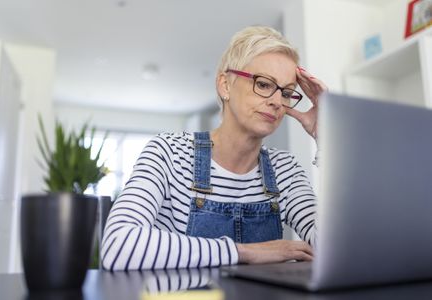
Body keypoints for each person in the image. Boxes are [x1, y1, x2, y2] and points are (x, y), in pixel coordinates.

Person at [101, 26, 327, 270]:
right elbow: (118, 245)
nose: (275, 101)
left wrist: (327, 136)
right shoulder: (168, 153)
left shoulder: (285, 170)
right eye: (263, 84)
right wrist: (245, 252)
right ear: (225, 85)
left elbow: (336, 249)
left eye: (287, 92)